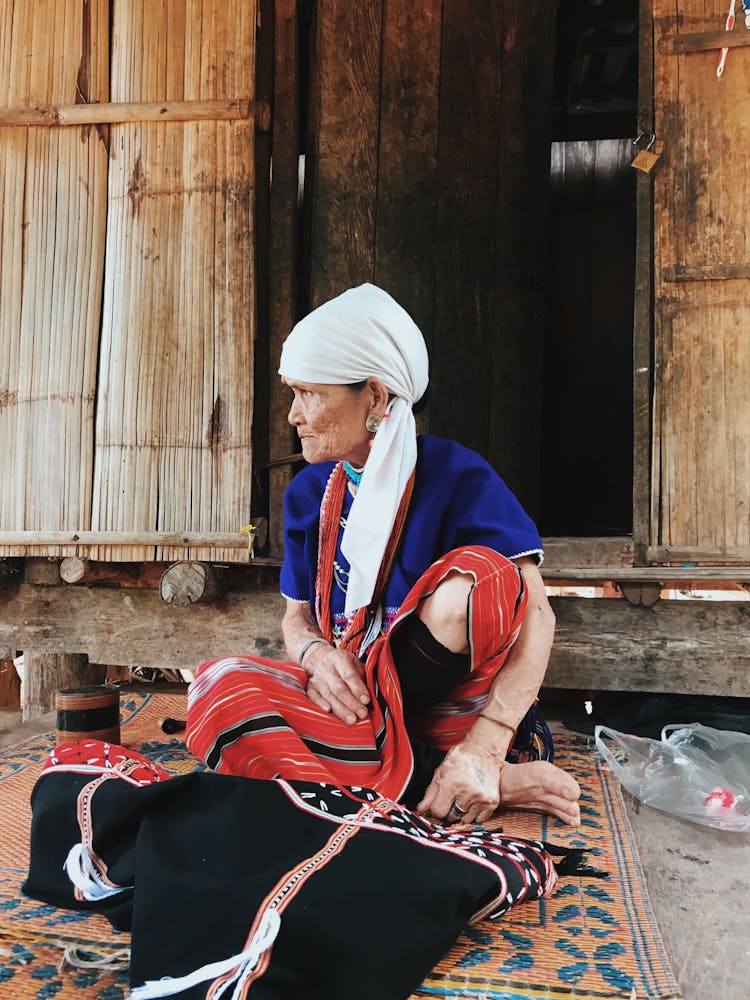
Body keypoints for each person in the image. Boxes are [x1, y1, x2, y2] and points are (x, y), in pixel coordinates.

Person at [186, 284, 580, 827]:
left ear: (373, 397)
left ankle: (466, 766)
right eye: (292, 394)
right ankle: (447, 781)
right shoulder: (307, 494)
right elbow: (297, 617)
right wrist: (315, 657)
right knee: (217, 689)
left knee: (486, 579)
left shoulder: (457, 476)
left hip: (453, 717)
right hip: (356, 710)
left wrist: (488, 744)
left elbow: (536, 613)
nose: (294, 415)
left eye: (308, 393)